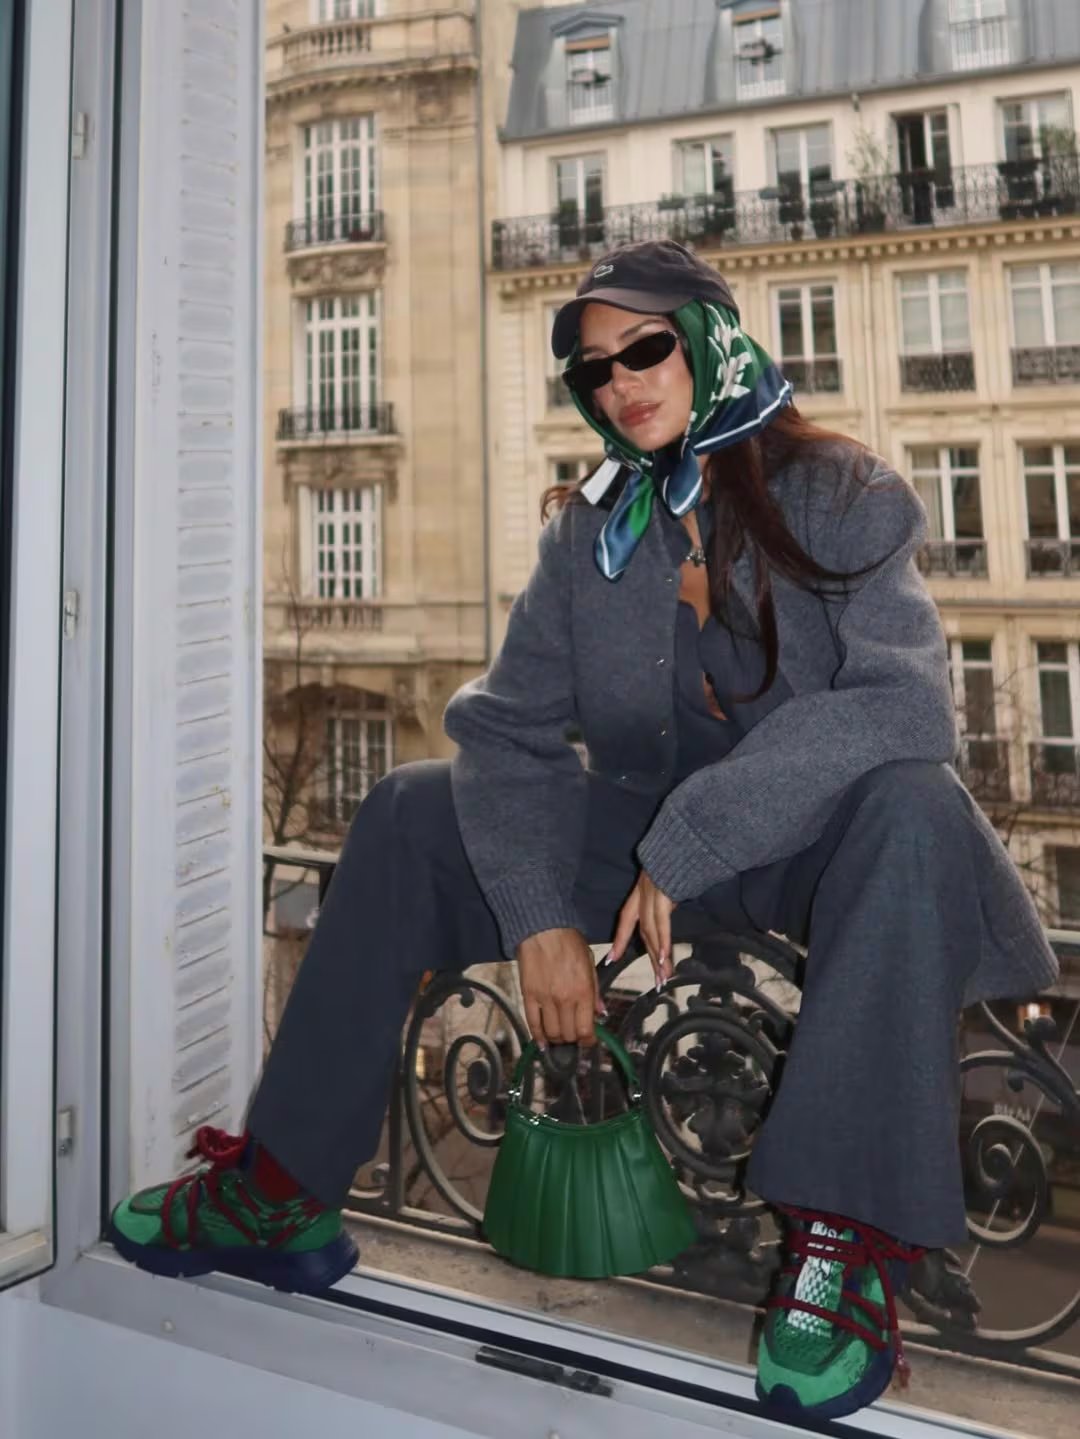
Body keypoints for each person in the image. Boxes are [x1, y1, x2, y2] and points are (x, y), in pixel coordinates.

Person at [109, 240, 1059, 1422]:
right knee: (411, 803)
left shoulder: (841, 493)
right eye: (594, 369)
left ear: (711, 341)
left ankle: (843, 1249)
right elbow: (506, 730)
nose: (621, 384)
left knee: (914, 798)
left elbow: (907, 703)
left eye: (646, 348)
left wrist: (688, 842)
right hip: (637, 856)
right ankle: (283, 1187)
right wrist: (540, 915)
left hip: (821, 849)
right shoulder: (591, 531)